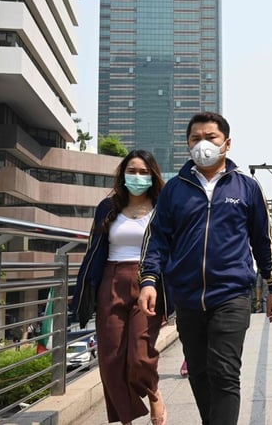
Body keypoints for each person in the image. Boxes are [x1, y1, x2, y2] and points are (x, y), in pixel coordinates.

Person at [138, 111, 272, 425]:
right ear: (187, 145)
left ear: (226, 143)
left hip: (231, 294)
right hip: (187, 297)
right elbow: (157, 238)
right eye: (195, 139)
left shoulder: (247, 188)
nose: (202, 144)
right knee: (200, 374)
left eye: (210, 138)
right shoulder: (175, 190)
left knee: (224, 371)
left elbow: (263, 239)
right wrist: (148, 280)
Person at [70, 150, 169, 425]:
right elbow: (93, 250)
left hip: (149, 282)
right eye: (132, 171)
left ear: (153, 176)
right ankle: (126, 419)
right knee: (111, 359)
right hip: (111, 280)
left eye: (143, 172)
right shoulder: (108, 206)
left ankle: (153, 391)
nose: (137, 177)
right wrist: (83, 290)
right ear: (123, 174)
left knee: (139, 355)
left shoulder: (162, 207)